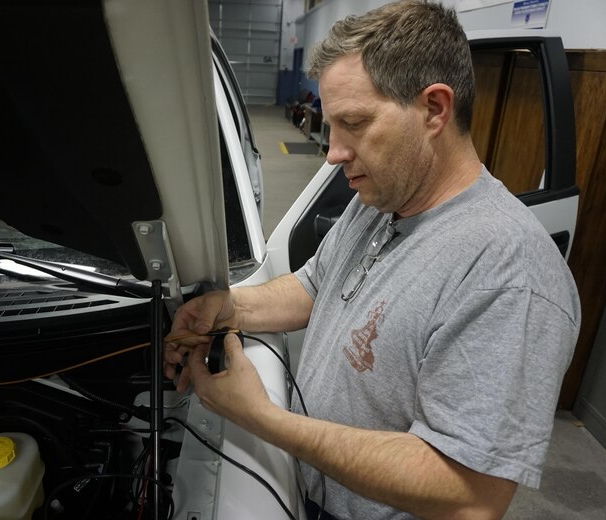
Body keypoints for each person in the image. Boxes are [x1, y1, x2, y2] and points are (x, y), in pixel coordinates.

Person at [164, 1, 581, 518]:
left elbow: (470, 494)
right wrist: (228, 309)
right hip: (309, 492)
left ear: (434, 109)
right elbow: (313, 287)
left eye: (354, 123)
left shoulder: (507, 272)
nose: (333, 151)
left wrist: (263, 418)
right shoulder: (383, 199)